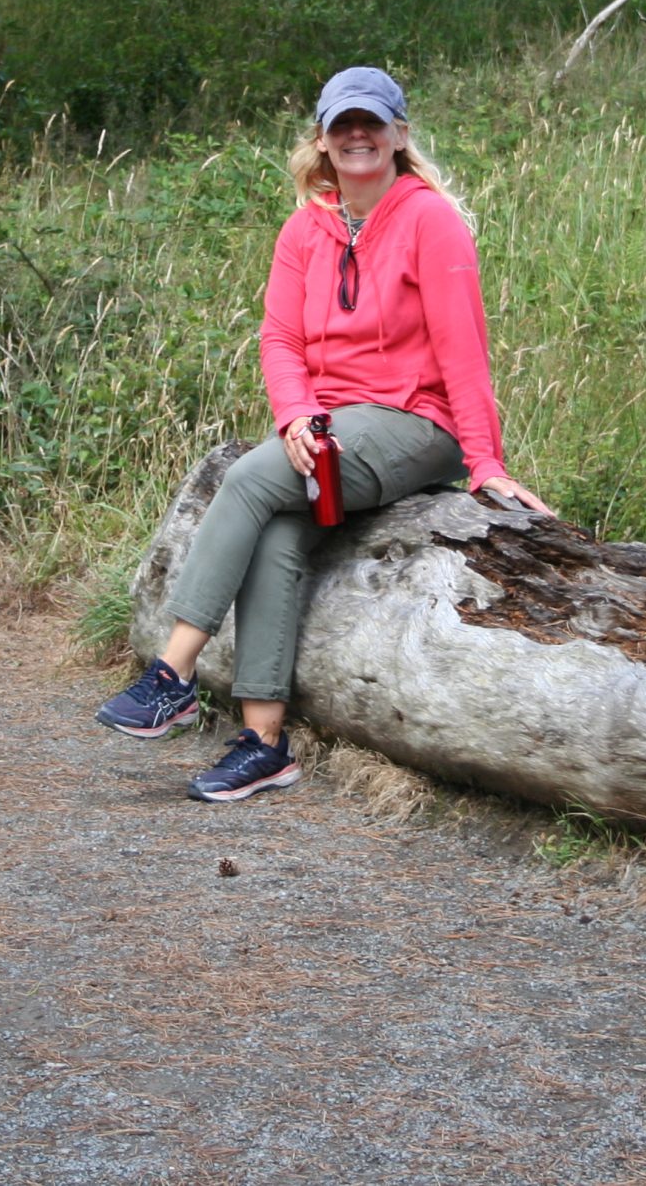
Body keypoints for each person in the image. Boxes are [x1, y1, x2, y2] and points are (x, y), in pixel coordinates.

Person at [95, 66, 552, 802]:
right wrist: (296, 415)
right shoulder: (305, 228)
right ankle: (264, 742)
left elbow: (463, 350)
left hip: (413, 425)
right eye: (344, 124)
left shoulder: (429, 220)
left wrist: (486, 462)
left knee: (247, 478)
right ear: (323, 139)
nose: (358, 135)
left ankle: (171, 675)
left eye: (373, 122)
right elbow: (279, 338)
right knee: (276, 531)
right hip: (329, 430)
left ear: (400, 136)